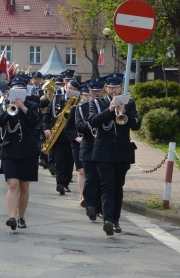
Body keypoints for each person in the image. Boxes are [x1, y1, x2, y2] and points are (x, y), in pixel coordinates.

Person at [89, 73, 141, 236]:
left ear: (121, 87)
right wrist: (110, 109)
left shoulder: (130, 103)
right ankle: (108, 220)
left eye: (116, 87)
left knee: (118, 187)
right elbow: (92, 121)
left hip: (122, 153)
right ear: (105, 88)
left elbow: (137, 126)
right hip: (103, 152)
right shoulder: (97, 103)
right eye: (110, 87)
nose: (113, 90)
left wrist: (124, 111)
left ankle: (116, 220)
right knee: (108, 186)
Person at [0, 77, 40, 230]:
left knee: (24, 186)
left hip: (29, 150)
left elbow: (35, 122)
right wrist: (9, 110)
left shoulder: (33, 105)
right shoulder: (5, 105)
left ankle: (21, 217)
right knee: (12, 185)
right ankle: (12, 217)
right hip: (10, 149)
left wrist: (23, 108)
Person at [43, 78, 79, 195]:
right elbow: (47, 115)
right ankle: (60, 184)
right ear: (66, 88)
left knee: (69, 161)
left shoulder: (79, 103)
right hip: (57, 135)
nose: (71, 90)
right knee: (59, 161)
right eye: (69, 88)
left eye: (74, 89)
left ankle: (66, 182)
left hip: (72, 137)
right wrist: (46, 128)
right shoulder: (56, 98)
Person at [75, 78, 105, 221]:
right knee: (91, 178)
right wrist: (93, 123)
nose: (96, 93)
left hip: (103, 149)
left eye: (99, 91)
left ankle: (100, 207)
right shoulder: (81, 108)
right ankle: (90, 206)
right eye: (93, 91)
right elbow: (79, 126)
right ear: (90, 91)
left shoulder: (107, 105)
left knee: (101, 179)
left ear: (103, 90)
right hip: (88, 148)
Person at [65, 84, 92, 207]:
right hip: (78, 144)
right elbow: (68, 129)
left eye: (89, 95)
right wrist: (76, 138)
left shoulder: (96, 108)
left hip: (91, 143)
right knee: (81, 170)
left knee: (90, 171)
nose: (87, 97)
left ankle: (88, 195)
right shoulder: (75, 109)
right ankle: (82, 195)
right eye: (85, 95)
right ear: (81, 96)